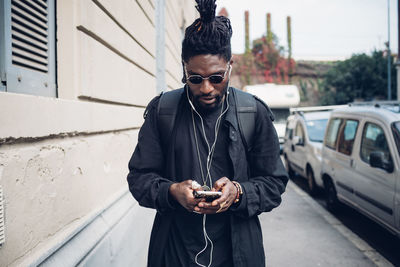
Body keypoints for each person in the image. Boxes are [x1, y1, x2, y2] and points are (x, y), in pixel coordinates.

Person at [127, 0, 288, 266]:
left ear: (230, 67)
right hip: (174, 255)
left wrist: (237, 193)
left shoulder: (253, 112)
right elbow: (139, 178)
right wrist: (172, 192)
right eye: (195, 78)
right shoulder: (162, 111)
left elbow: (274, 183)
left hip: (239, 256)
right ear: (183, 69)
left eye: (216, 78)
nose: (206, 88)